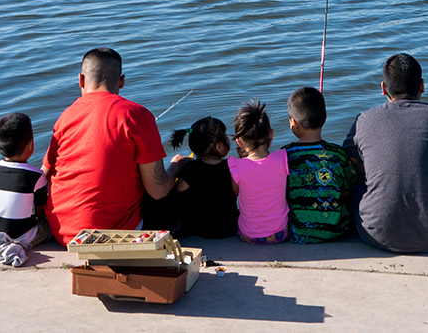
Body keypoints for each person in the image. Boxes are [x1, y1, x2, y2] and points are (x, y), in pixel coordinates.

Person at [41, 48, 185, 246]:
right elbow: (157, 189)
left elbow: (44, 175)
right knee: (175, 190)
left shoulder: (65, 116)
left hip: (63, 233)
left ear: (81, 80)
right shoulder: (137, 114)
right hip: (112, 236)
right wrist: (176, 166)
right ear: (122, 81)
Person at [343, 53, 428, 253]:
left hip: (374, 235)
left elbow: (347, 166)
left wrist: (371, 166)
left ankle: (349, 236)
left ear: (382, 88)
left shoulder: (364, 120)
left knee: (352, 180)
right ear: (422, 86)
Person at [281, 87, 357, 243]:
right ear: (325, 118)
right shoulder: (338, 153)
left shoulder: (284, 155)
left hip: (299, 234)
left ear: (293, 123)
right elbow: (349, 189)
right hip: (338, 230)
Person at [143, 117, 238, 238]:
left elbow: (180, 189)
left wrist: (178, 167)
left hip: (199, 228)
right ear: (219, 146)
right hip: (229, 227)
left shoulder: (192, 168)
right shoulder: (231, 166)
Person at [0, 113, 52, 263]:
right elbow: (40, 212)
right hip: (21, 237)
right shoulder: (36, 176)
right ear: (31, 145)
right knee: (48, 225)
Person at [227, 100, 290, 244]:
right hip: (280, 233)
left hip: (248, 235)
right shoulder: (282, 158)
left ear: (239, 142)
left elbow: (237, 191)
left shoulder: (236, 166)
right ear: (271, 135)